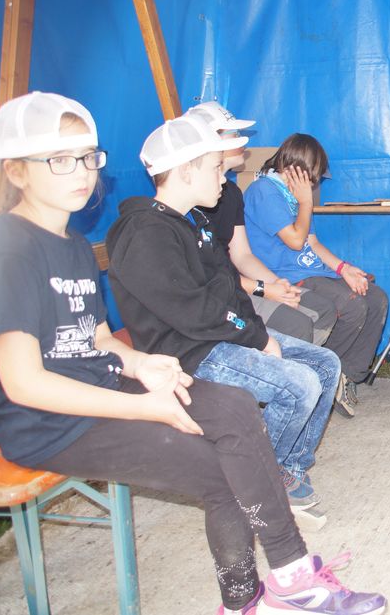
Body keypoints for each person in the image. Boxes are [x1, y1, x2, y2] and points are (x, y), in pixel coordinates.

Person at [0, 92, 387, 614]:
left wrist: (140, 363)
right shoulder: (10, 248)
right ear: (16, 171)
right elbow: (23, 384)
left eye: (88, 157)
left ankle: (272, 588)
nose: (82, 172)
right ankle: (273, 589)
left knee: (237, 418)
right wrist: (144, 404)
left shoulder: (71, 247)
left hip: (102, 384)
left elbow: (97, 339)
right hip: (49, 422)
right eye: (60, 160)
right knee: (231, 466)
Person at [106, 115, 339, 529]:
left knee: (325, 365)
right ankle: (257, 484)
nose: (224, 177)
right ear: (186, 171)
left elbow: (230, 287)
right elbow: (193, 313)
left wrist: (258, 331)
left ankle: (285, 471)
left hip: (219, 337)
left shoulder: (193, 222)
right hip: (189, 352)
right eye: (216, 168)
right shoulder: (144, 232)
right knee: (300, 384)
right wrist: (257, 338)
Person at [185, 103, 353, 417]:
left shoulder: (231, 193)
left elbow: (242, 255)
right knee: (298, 321)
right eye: (234, 134)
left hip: (241, 285)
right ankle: (288, 397)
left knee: (321, 309)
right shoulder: (195, 204)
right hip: (221, 298)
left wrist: (276, 285)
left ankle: (307, 386)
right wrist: (264, 289)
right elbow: (205, 278)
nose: (243, 141)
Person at [242, 133, 389, 397]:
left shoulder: (294, 198)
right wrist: (306, 202)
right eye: (314, 177)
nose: (315, 183)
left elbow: (313, 243)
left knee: (376, 298)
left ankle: (346, 377)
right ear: (295, 170)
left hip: (314, 272)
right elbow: (296, 241)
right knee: (352, 306)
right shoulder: (264, 191)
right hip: (287, 276)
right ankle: (325, 374)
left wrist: (344, 268)